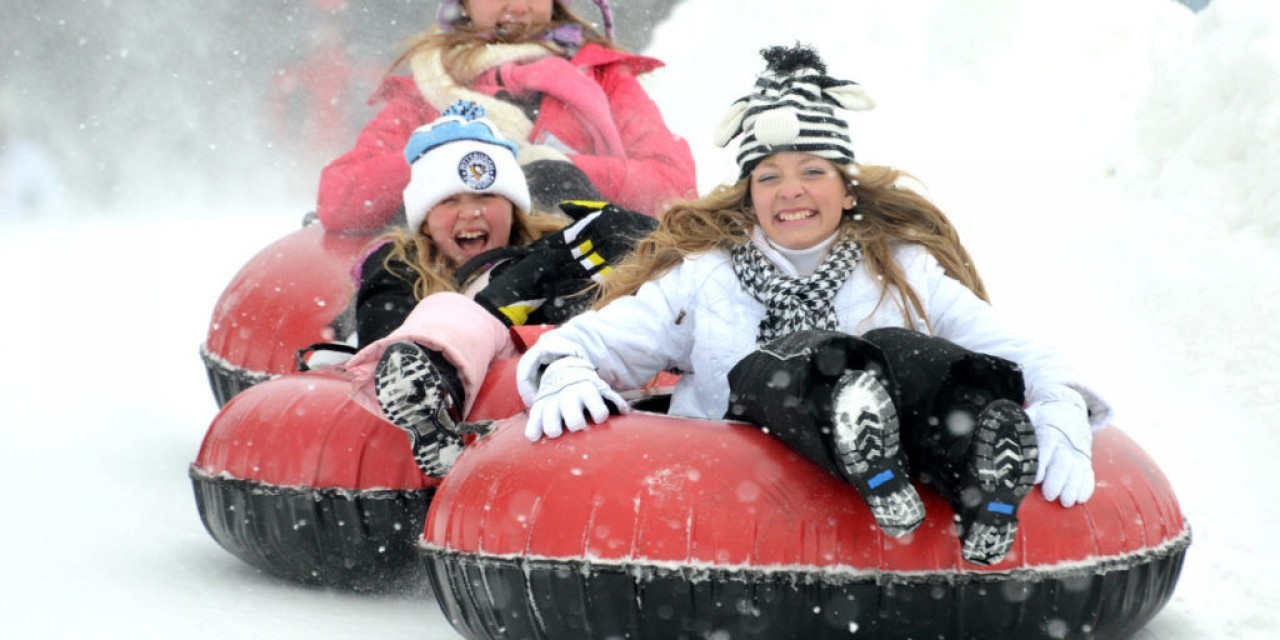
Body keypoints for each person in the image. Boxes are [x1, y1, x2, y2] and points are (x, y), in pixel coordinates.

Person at [513, 45, 1112, 566]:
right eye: (768, 176)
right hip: (737, 489)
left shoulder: (901, 266)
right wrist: (563, 370)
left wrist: (1059, 403)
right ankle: (854, 415)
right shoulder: (705, 277)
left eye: (813, 170)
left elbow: (1015, 346)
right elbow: (595, 340)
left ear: (847, 189)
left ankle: (974, 467)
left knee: (907, 354)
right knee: (802, 361)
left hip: (883, 490)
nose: (790, 190)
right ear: (749, 195)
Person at [342, 99, 655, 477]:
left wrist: (625, 235)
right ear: (424, 220)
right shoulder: (396, 267)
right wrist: (508, 289)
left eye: (486, 197)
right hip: (473, 398)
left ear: (512, 207)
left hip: (568, 408)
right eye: (450, 200)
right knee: (447, 308)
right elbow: (386, 344)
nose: (471, 213)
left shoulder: (555, 248)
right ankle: (436, 399)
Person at [316, 0, 696, 234]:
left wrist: (553, 167)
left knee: (550, 179)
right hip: (448, 283)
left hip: (574, 274)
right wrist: (443, 159)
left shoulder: (604, 78)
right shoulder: (426, 87)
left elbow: (673, 187)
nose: (517, 7)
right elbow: (340, 197)